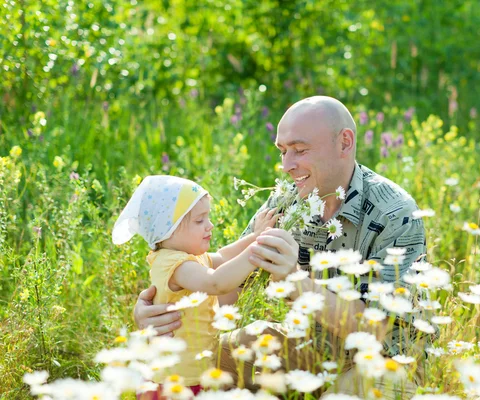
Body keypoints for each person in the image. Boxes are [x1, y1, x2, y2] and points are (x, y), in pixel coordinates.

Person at [134, 96, 427, 398]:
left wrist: (296, 282)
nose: (287, 166)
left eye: (300, 150)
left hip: (381, 362)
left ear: (345, 143)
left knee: (353, 390)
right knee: (195, 360)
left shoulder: (394, 213)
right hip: (305, 348)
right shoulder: (287, 201)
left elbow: (378, 331)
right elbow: (225, 296)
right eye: (283, 152)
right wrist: (160, 310)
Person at [112, 175, 290, 397]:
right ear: (169, 229)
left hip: (194, 375)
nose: (210, 225)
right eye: (199, 221)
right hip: (174, 382)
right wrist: (258, 249)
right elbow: (215, 282)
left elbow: (224, 256)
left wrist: (255, 235)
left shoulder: (191, 258)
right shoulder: (173, 263)